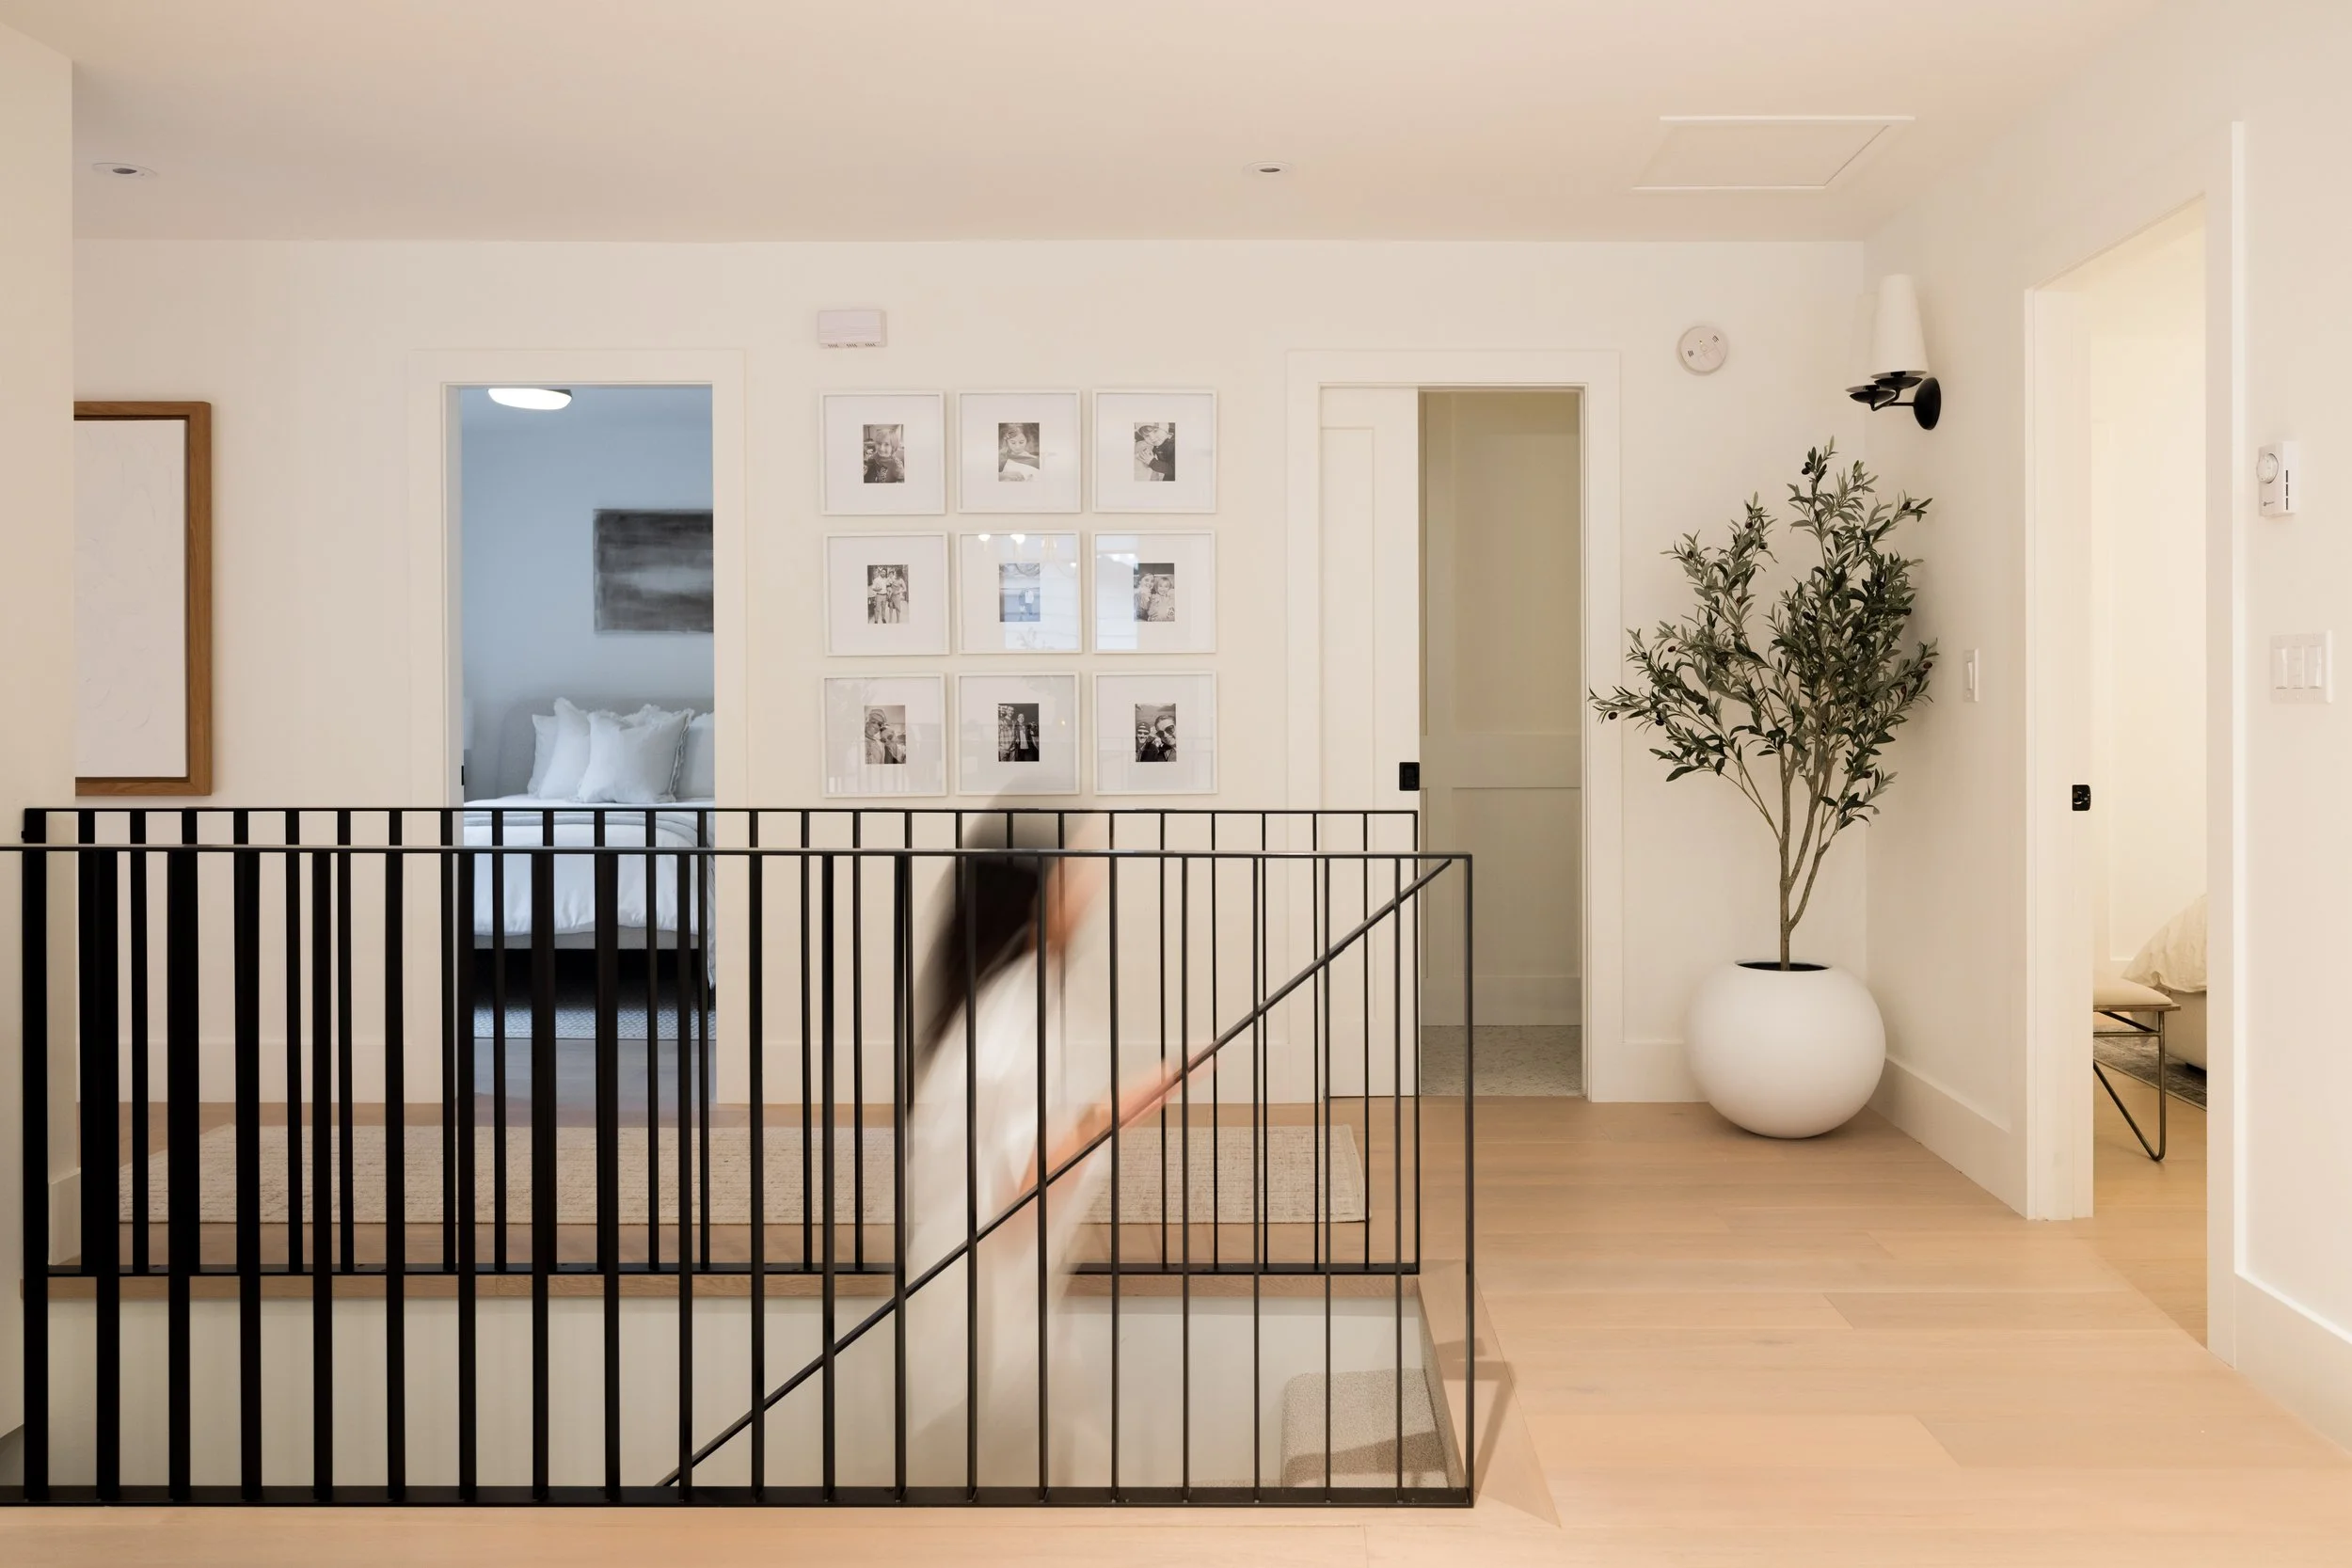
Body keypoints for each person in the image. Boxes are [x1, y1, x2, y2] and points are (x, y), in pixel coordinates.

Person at [900, 810, 1184, 1488]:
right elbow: (1027, 1189)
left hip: (979, 1324)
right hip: (989, 1343)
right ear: (1036, 899)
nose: (1091, 887)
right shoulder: (1017, 1014)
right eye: (1074, 874)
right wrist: (1120, 1105)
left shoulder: (1001, 997)